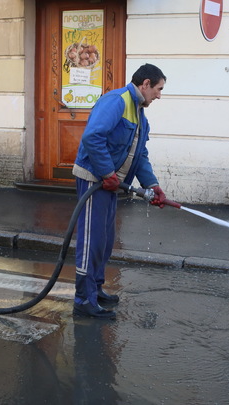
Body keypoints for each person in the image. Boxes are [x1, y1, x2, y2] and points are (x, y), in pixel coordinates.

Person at [71, 63, 168, 319]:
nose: (159, 95)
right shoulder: (117, 101)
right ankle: (83, 299)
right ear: (145, 84)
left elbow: (140, 154)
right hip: (95, 181)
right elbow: (93, 137)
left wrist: (152, 185)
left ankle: (96, 289)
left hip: (110, 184)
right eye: (158, 89)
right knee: (91, 241)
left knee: (104, 240)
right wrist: (106, 173)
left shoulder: (139, 114)